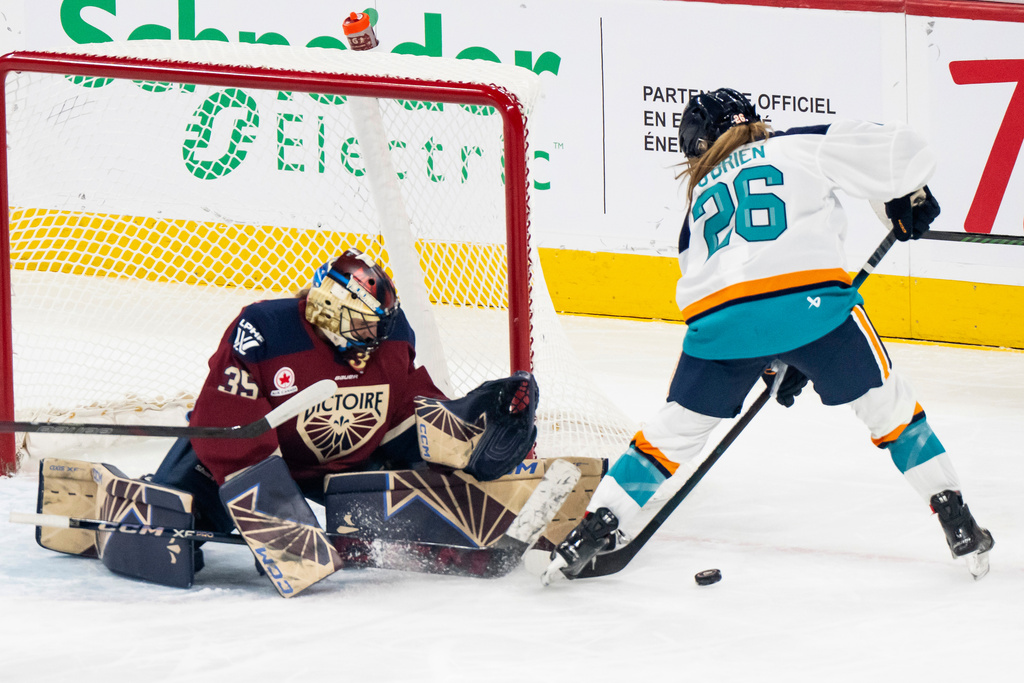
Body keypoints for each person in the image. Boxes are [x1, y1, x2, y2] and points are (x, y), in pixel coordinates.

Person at [545, 88, 994, 581]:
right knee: (887, 408)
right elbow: (904, 151)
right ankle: (953, 512)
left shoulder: (697, 202)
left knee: (671, 433)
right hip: (812, 307)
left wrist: (769, 355)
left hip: (719, 324)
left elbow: (722, 283)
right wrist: (902, 198)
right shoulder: (797, 144)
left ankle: (596, 525)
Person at [151, 248, 538, 537]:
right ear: (326, 309)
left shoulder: (390, 335)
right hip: (255, 461)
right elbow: (226, 415)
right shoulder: (266, 328)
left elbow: (404, 404)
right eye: (362, 326)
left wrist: (461, 433)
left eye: (379, 327)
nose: (375, 338)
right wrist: (275, 513)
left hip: (345, 466)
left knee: (427, 490)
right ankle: (150, 509)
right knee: (174, 524)